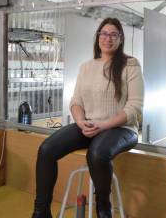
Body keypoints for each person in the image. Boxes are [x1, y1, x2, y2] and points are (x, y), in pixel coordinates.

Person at [31, 17, 144, 218]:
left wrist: (103, 125)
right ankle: (41, 211)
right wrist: (80, 121)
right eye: (104, 33)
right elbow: (76, 101)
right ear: (98, 37)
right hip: (89, 125)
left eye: (113, 34)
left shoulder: (131, 64)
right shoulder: (86, 66)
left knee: (97, 153)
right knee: (46, 150)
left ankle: (103, 208)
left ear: (120, 39)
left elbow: (135, 107)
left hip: (122, 129)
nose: (108, 38)